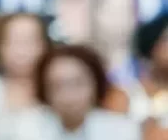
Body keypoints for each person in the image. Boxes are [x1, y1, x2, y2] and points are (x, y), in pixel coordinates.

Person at [8, 45, 140, 140]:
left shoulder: (122, 131)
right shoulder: (24, 130)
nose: (68, 95)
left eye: (78, 83)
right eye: (57, 86)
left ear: (96, 84)